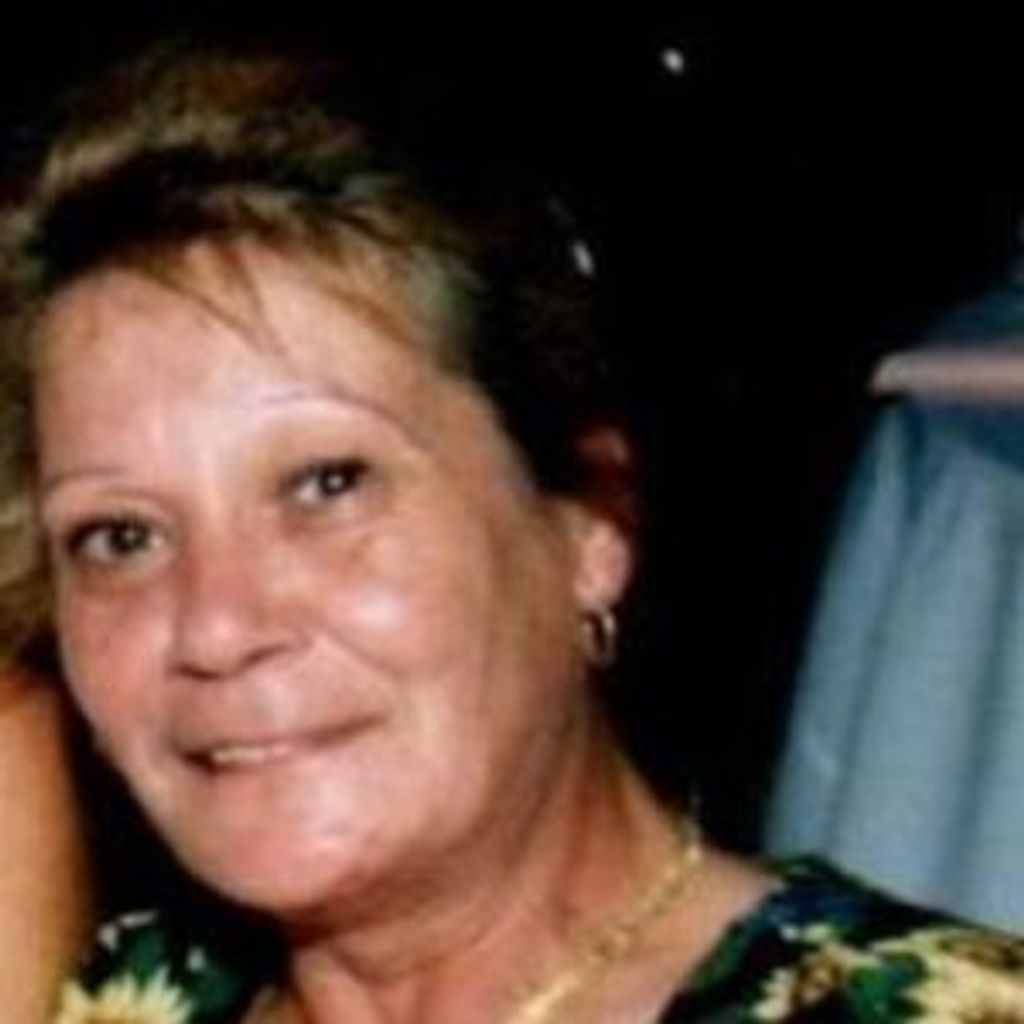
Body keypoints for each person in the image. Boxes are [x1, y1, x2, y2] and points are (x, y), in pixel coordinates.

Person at [1, 36, 1024, 1024]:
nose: (216, 627)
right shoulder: (132, 996)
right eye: (120, 538)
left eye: (327, 484)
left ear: (587, 526)